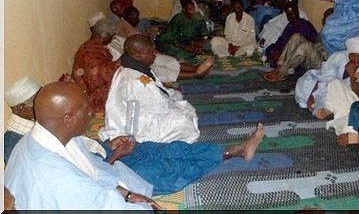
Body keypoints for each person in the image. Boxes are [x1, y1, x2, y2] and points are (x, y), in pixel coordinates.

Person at [4, 76, 265, 196]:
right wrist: (115, 156)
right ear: (22, 109)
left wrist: (108, 145)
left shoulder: (45, 125)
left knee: (165, 148)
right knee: (165, 171)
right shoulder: (18, 142)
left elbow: (78, 150)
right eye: (36, 102)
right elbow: (79, 181)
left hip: (103, 155)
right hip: (105, 170)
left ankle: (234, 150)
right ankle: (230, 155)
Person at [4, 81, 155, 210]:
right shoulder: (56, 174)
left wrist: (127, 194)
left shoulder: (54, 135)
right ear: (68, 120)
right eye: (85, 108)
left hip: (83, 196)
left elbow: (93, 168)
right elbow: (100, 206)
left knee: (134, 188)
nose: (92, 112)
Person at [100, 34, 201, 143]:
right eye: (149, 52)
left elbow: (155, 90)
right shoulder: (134, 80)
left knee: (181, 107)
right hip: (134, 126)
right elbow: (153, 106)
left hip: (140, 113)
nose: (154, 53)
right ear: (137, 55)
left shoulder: (136, 67)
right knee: (183, 122)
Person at [295, 36, 359, 119]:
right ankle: (328, 106)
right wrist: (311, 96)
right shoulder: (337, 57)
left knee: (336, 84)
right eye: (352, 55)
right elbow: (323, 79)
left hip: (350, 95)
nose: (356, 60)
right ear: (348, 53)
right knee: (306, 81)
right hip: (329, 90)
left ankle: (329, 108)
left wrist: (352, 75)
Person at [263, 8, 333, 82]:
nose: (322, 19)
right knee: (296, 36)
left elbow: (326, 52)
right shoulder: (326, 29)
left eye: (325, 17)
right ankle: (279, 67)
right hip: (316, 56)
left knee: (305, 46)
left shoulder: (335, 31)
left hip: (323, 64)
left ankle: (281, 73)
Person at [72, 18, 121, 112]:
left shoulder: (88, 47)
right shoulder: (91, 53)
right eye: (112, 37)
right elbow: (96, 80)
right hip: (90, 98)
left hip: (87, 91)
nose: (112, 39)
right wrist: (120, 63)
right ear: (105, 36)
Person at [263, 4, 318, 71]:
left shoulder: (306, 26)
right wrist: (276, 51)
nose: (290, 16)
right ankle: (279, 64)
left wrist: (281, 54)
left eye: (292, 13)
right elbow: (281, 40)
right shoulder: (289, 25)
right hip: (284, 50)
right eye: (288, 14)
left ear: (297, 12)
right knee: (269, 49)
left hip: (298, 54)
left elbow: (301, 49)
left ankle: (281, 68)